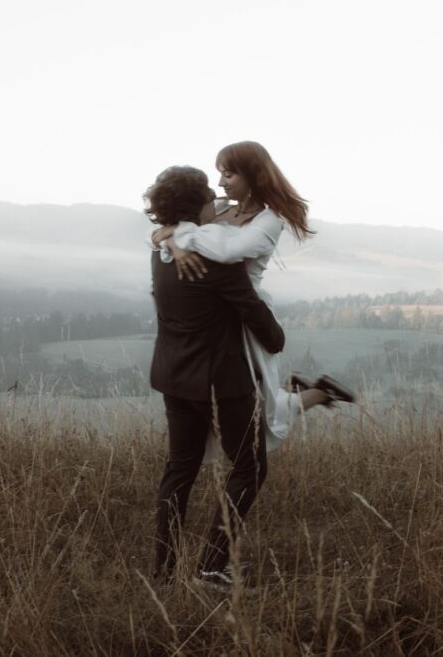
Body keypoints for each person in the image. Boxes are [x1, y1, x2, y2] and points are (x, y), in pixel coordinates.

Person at [151, 141, 355, 461]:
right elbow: (160, 231)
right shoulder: (220, 209)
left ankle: (318, 393)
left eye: (228, 174)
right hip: (215, 315)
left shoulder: (268, 220)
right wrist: (174, 241)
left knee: (260, 408)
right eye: (220, 173)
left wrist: (180, 238)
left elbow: (229, 251)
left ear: (253, 175)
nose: (220, 182)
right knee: (240, 405)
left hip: (247, 314)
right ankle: (310, 392)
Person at [145, 165, 285, 588]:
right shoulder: (216, 260)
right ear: (199, 204)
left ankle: (164, 572)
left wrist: (168, 234)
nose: (217, 200)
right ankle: (211, 566)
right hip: (221, 381)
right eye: (210, 195)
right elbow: (256, 315)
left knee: (179, 470)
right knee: (250, 468)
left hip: (172, 376)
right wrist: (275, 338)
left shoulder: (162, 253)